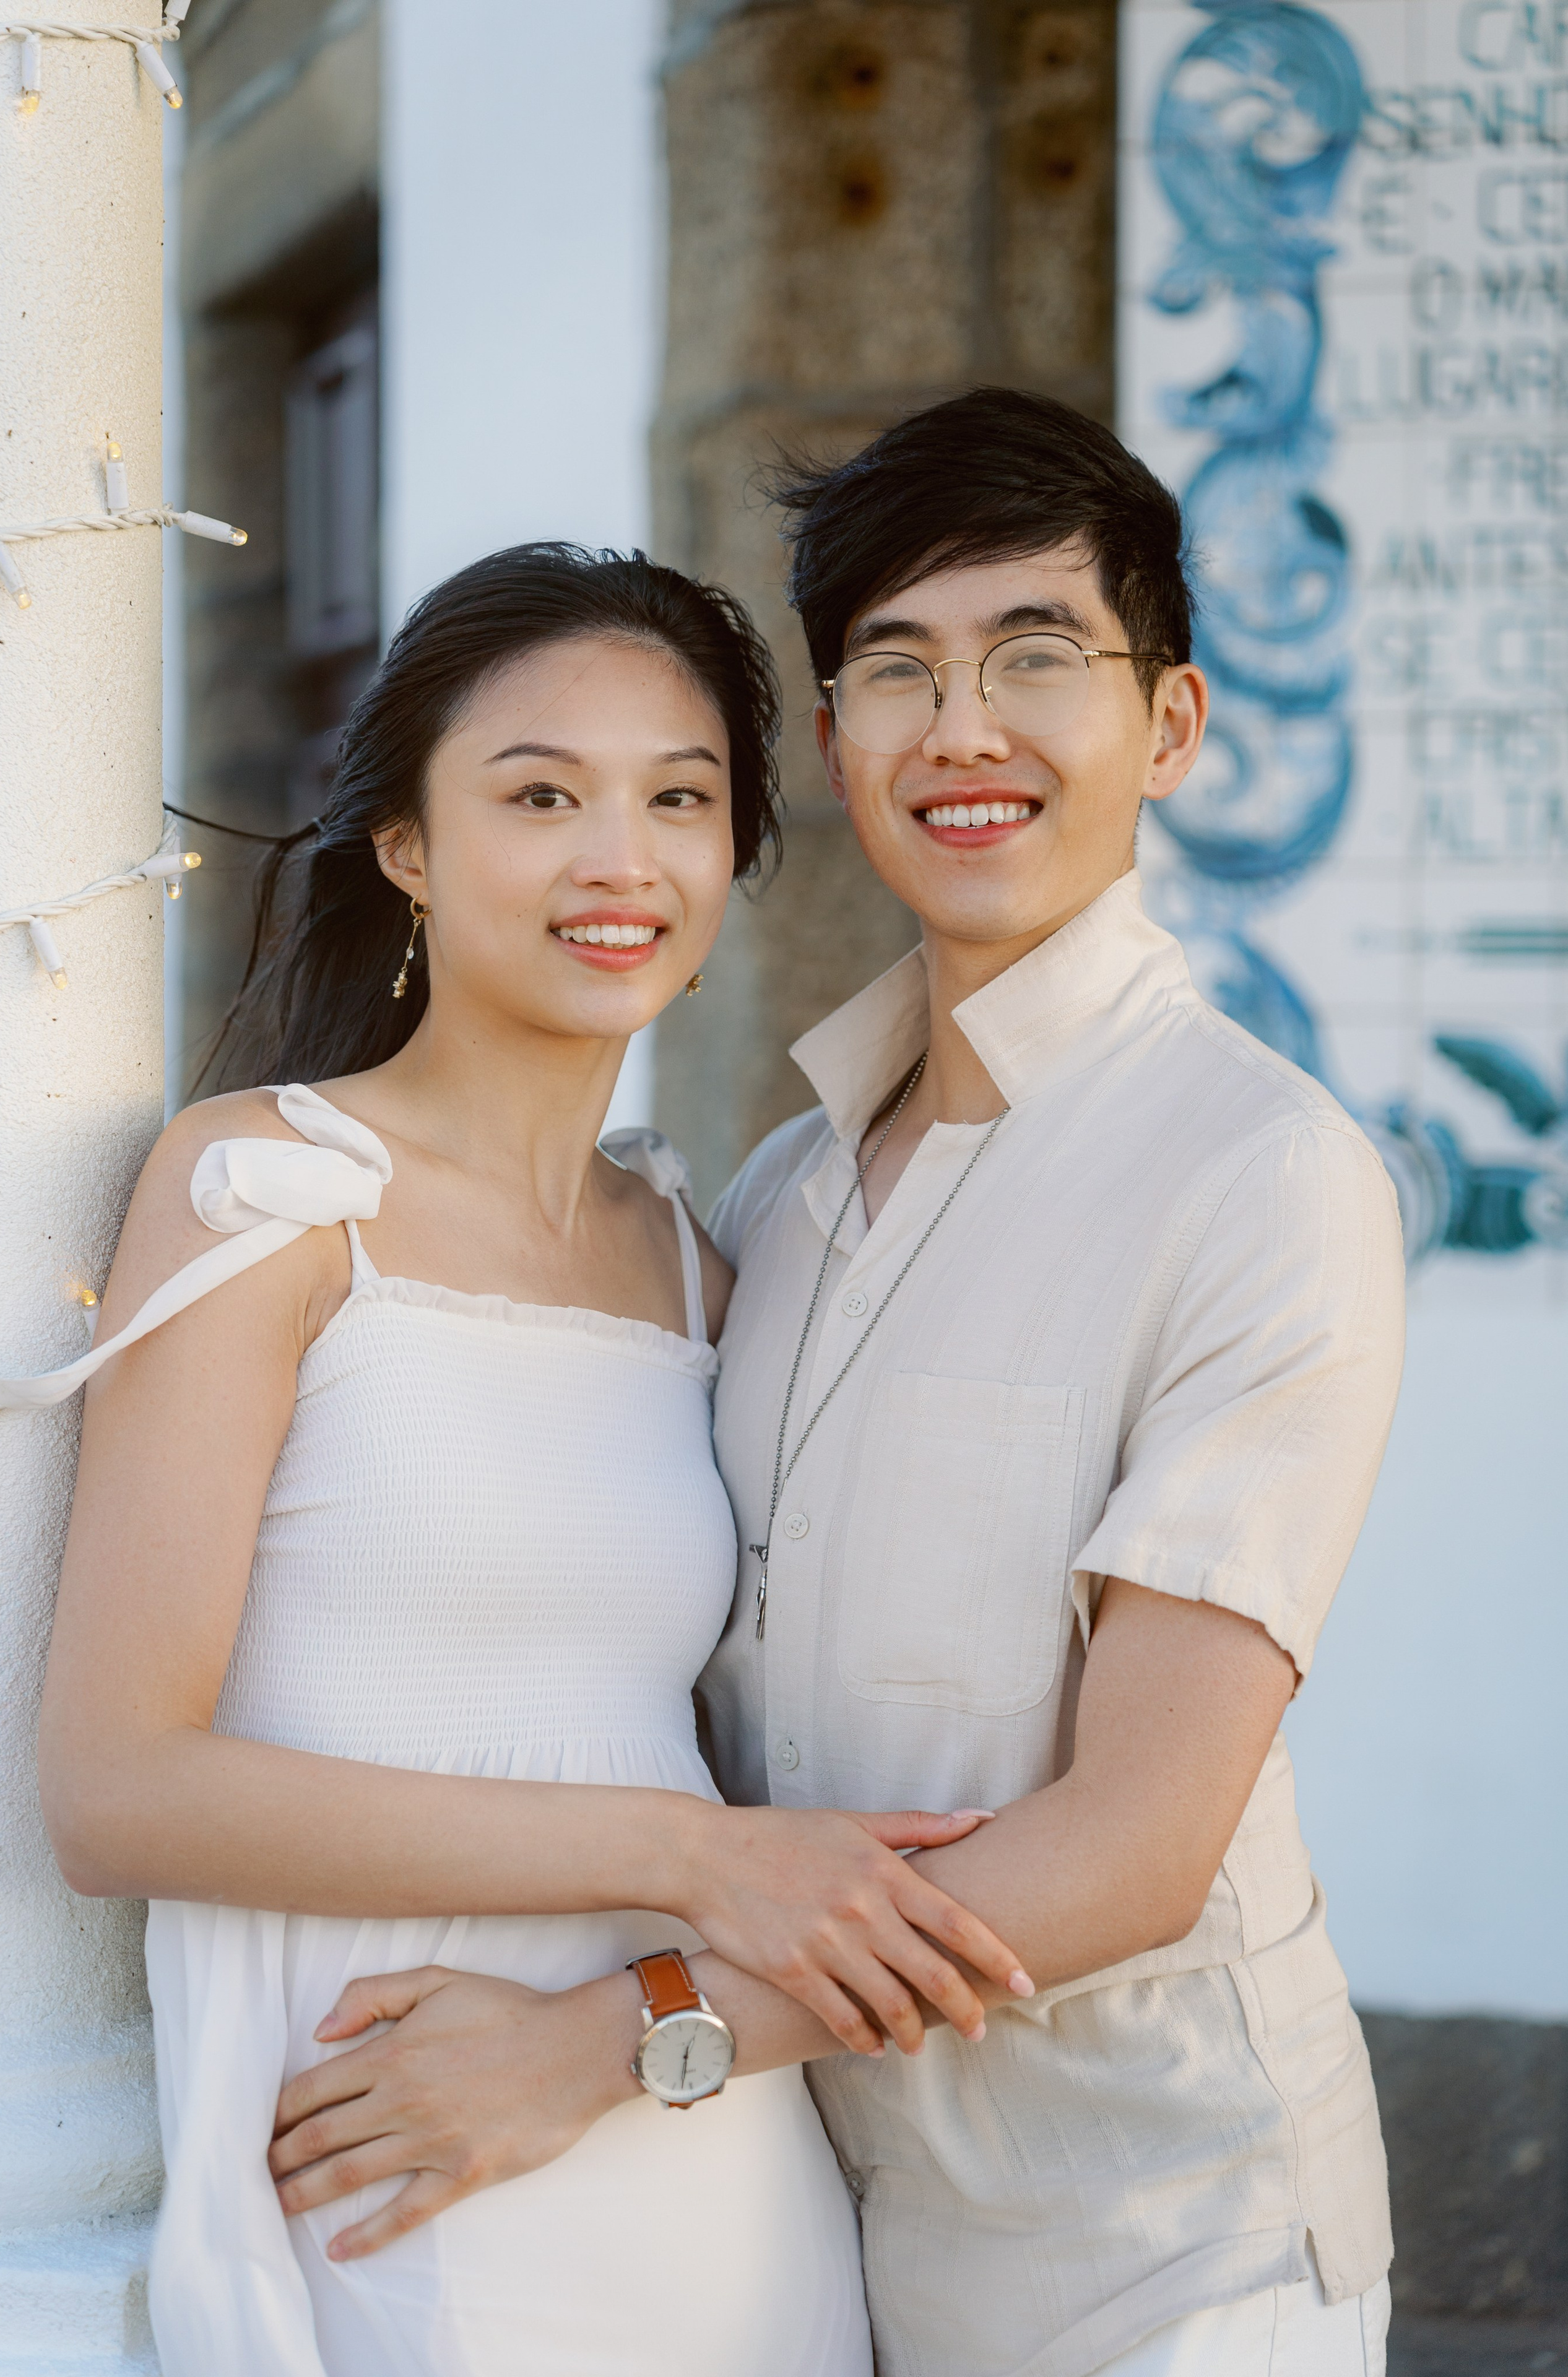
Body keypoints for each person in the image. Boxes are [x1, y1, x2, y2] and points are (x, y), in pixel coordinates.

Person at [270, 394, 1408, 2377]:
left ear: (1172, 728)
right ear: (835, 749)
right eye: (900, 670)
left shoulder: (1263, 1177)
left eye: (1038, 658)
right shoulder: (780, 1199)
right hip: (822, 2249)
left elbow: (1134, 1850)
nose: (965, 727)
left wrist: (604, 2045)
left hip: (1167, 2258)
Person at [20, 543, 1037, 2377]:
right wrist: (695, 1857)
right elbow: (115, 1789)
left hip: (690, 2136)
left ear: (737, 850)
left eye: (680, 799)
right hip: (397, 2136)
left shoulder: (687, 1251)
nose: (619, 861)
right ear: (404, 842)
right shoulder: (266, 1189)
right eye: (540, 795)